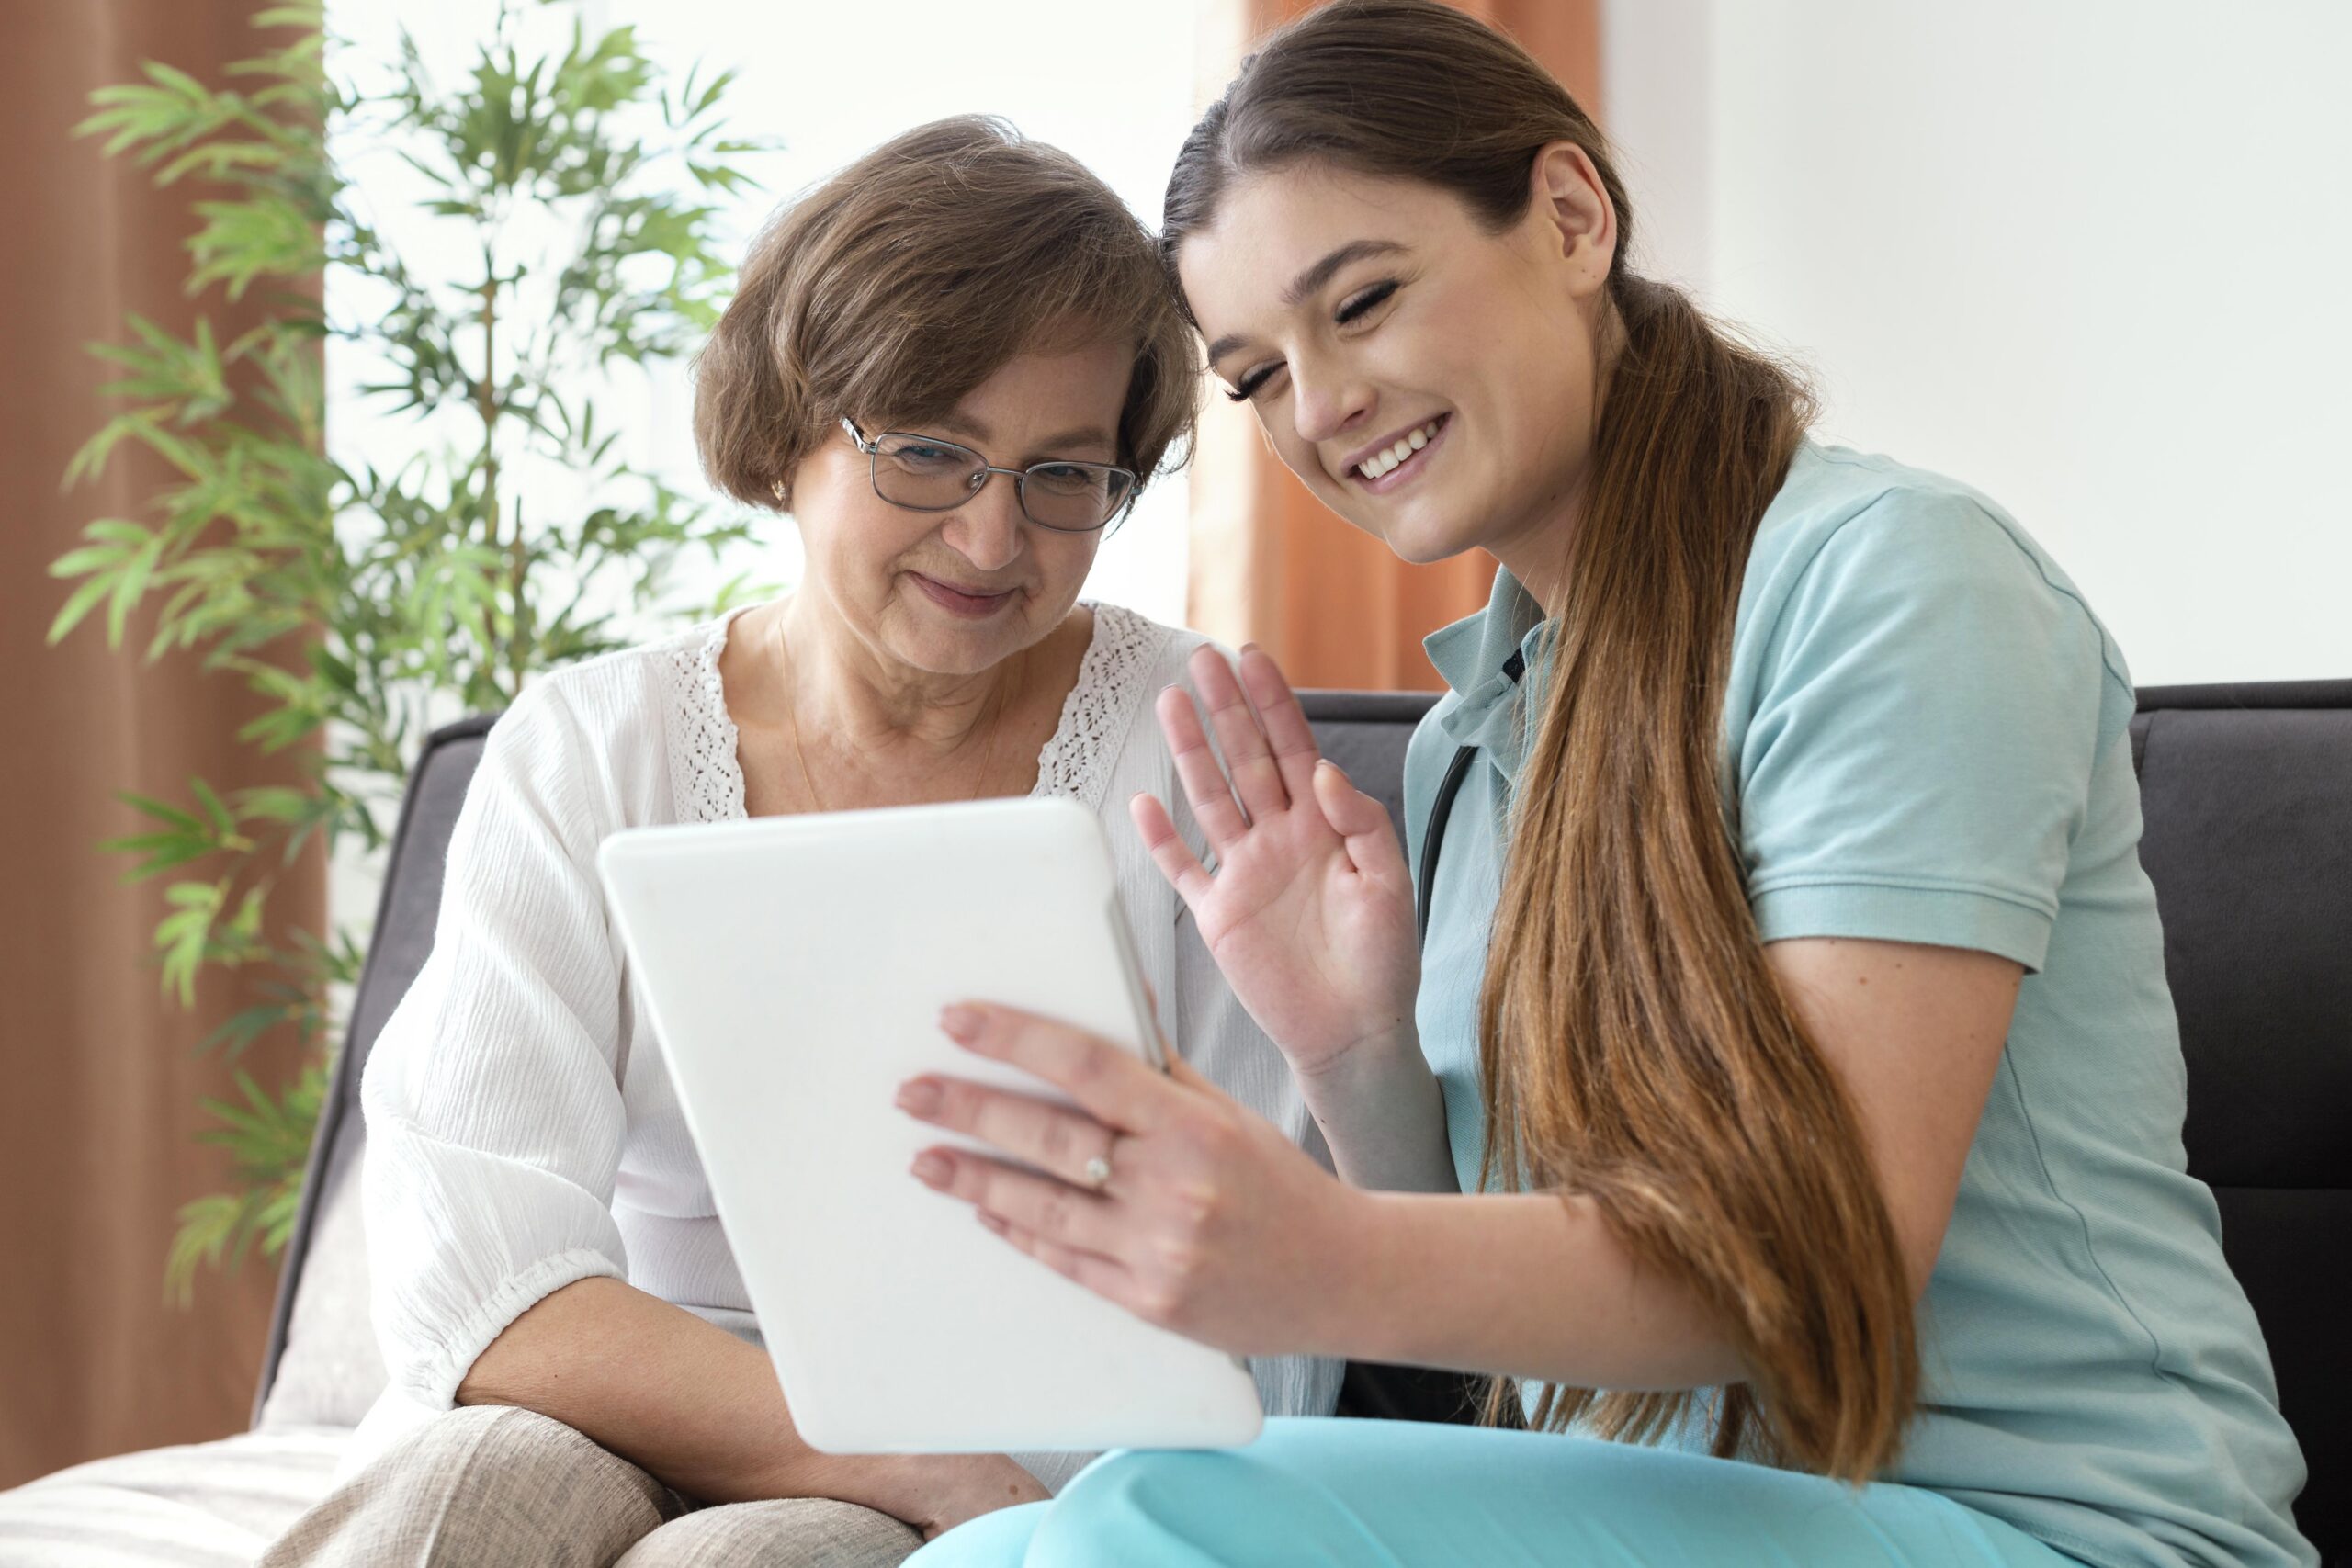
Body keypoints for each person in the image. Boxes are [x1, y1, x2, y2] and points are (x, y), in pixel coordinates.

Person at [891, 5, 2317, 1564]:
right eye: (1257, 378)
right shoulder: (1482, 730)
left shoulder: (1893, 586)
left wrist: (1313, 1257)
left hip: (2052, 1530)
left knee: (1152, 1521)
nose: (1321, 405)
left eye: (1360, 301)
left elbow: (1814, 1269)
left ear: (1572, 216)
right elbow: (1522, 1364)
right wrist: (1353, 1041)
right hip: (1700, 1517)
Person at [257, 116, 1341, 1568]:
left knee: (764, 1559)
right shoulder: (588, 749)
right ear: (791, 430)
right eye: (929, 455)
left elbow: (1269, 1310)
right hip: (618, 1392)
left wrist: (956, 1478)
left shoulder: (1194, 742)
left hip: (1019, 1451)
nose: (989, 541)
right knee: (474, 1494)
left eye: (1061, 475)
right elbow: (477, 1275)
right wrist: (891, 1455)